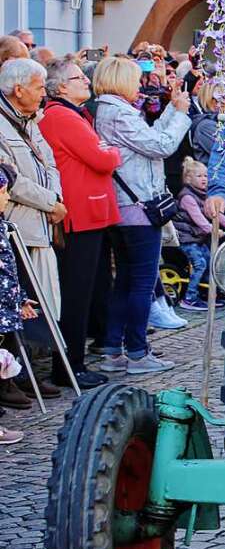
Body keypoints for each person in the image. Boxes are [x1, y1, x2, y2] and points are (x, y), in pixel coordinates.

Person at [93, 56, 191, 375]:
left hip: (124, 207)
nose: (140, 84)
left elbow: (147, 140)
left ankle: (113, 347)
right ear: (121, 80)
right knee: (142, 282)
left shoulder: (112, 111)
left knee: (124, 280)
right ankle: (137, 351)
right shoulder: (118, 112)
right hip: (136, 208)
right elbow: (161, 145)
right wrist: (180, 116)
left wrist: (173, 110)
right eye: (135, 79)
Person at [37, 58, 122, 389]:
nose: (86, 81)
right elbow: (103, 158)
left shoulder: (70, 114)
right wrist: (111, 151)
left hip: (88, 212)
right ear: (60, 87)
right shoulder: (62, 117)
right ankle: (69, 366)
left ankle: (74, 360)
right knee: (75, 294)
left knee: (87, 289)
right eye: (77, 78)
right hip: (79, 215)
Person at [0, 58, 65, 401]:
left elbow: (48, 163)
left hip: (38, 223)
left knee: (38, 302)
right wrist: (49, 203)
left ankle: (26, 374)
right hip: (19, 225)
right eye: (39, 87)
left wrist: (56, 197)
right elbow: (12, 178)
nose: (44, 93)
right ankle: (10, 377)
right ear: (18, 89)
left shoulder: (30, 121)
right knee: (17, 303)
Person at [0, 163, 39, 422]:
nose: (8, 196)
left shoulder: (2, 226)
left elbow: (9, 273)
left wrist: (20, 299)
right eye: (3, 192)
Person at [173, 157, 225, 312]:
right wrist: (214, 230)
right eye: (199, 176)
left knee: (211, 262)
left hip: (197, 238)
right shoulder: (188, 197)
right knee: (200, 264)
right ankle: (189, 298)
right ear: (188, 179)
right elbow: (200, 220)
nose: (204, 179)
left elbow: (215, 213)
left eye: (206, 176)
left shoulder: (204, 195)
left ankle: (209, 295)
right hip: (186, 239)